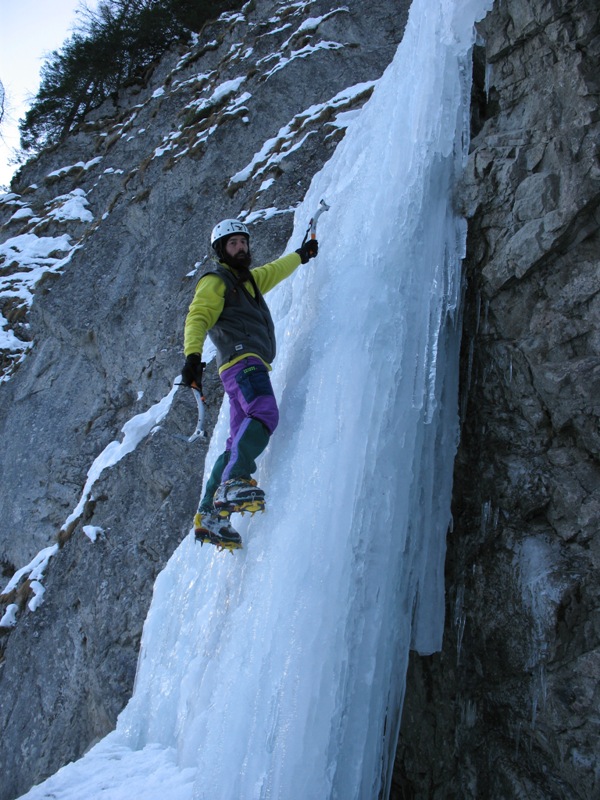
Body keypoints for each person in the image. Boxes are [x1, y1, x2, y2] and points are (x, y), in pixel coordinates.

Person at [181, 219, 318, 550]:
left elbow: (274, 270)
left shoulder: (247, 282)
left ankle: (208, 514)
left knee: (234, 443)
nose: (240, 247)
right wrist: (192, 356)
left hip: (237, 368)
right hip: (244, 361)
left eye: (243, 241)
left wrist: (301, 255)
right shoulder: (216, 281)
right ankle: (233, 481)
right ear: (220, 250)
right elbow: (198, 316)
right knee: (264, 412)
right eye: (233, 243)